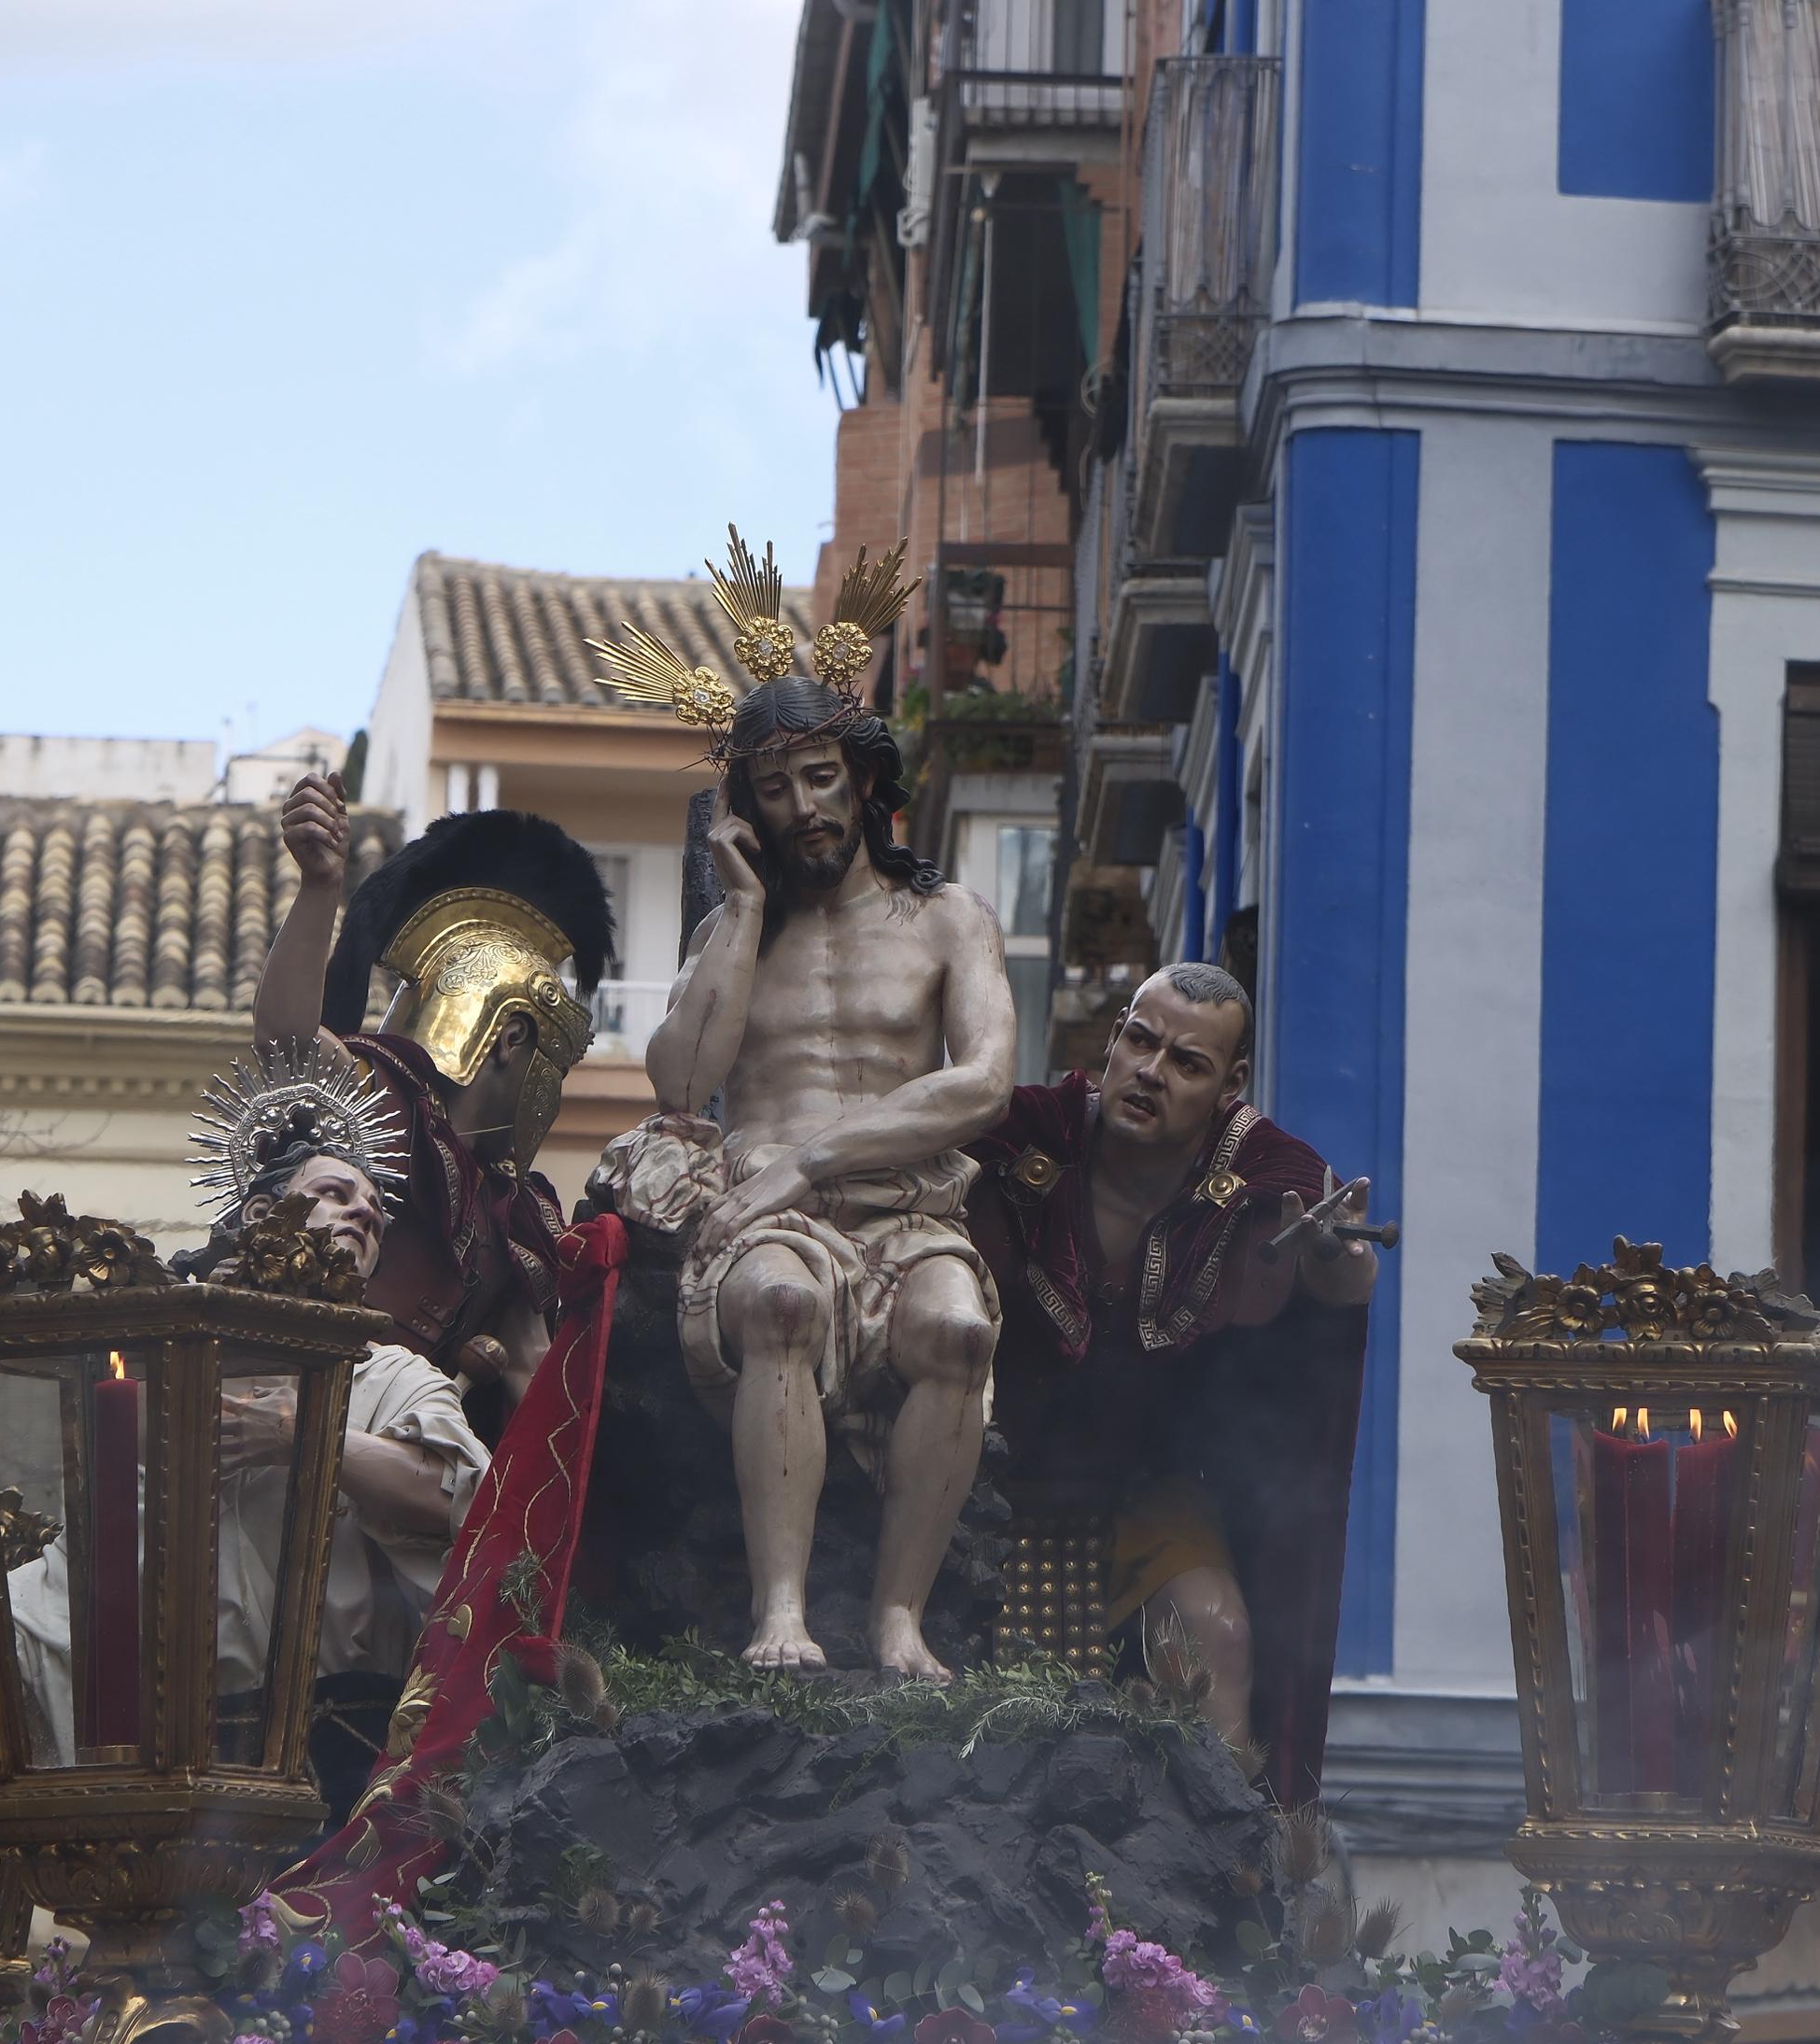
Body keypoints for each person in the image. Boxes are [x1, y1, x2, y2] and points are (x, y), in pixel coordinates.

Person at [0, 1050, 521, 1821]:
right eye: (335, 1193)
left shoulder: (390, 1377)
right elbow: (92, 1565)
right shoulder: (181, 1377)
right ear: (259, 1218)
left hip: (359, 1748)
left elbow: (461, 1500)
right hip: (199, 1756)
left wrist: (301, 1437)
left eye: (376, 1212)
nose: (364, 1215)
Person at [587, 543, 1015, 1680]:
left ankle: (898, 1620)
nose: (804, 807)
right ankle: (782, 1611)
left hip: (904, 1199)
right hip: (767, 1214)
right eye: (773, 791)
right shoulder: (735, 930)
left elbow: (983, 1082)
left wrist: (818, 1153)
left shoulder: (946, 919)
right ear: (747, 810)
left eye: (821, 777)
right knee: (779, 1303)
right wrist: (733, 911)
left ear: (863, 779)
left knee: (959, 1331)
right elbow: (680, 1084)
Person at [963, 961, 1376, 1803]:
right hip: (976, 1484)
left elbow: (1338, 1271)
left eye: (1187, 1063)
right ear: (1113, 1039)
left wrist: (1336, 1257)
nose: (1151, 1072)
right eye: (1141, 1042)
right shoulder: (1029, 1130)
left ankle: (1225, 1891)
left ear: (1230, 1084)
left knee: (1217, 1634)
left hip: (1143, 1494)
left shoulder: (1265, 1170)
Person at [255, 772, 616, 1403]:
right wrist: (319, 887)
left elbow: (537, 1380)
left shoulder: (520, 1210)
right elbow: (287, 1041)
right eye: (553, 1059)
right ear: (510, 1040)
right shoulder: (377, 1096)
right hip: (287, 1382)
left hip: (401, 1424)